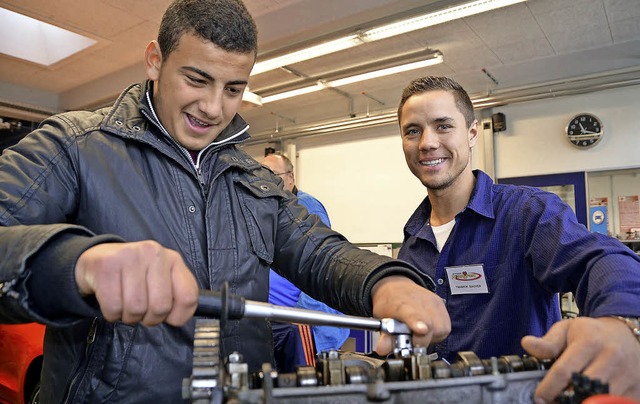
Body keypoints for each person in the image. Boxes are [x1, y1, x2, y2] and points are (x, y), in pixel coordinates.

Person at [0, 1, 450, 402]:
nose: (214, 108)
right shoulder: (74, 147)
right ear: (155, 61)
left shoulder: (252, 178)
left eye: (233, 88)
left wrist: (385, 282)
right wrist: (77, 263)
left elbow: (320, 252)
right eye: (197, 80)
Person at [395, 75, 640, 403]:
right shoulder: (412, 243)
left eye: (443, 126)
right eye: (413, 130)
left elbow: (600, 257)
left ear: (471, 134)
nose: (427, 142)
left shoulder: (527, 213)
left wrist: (623, 321)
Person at [261, 152, 349, 371]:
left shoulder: (305, 206)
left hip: (304, 321)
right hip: (278, 319)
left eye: (273, 174)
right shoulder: (271, 206)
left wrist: (304, 321)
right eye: (261, 175)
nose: (265, 181)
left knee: (304, 378)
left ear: (290, 177)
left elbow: (317, 261)